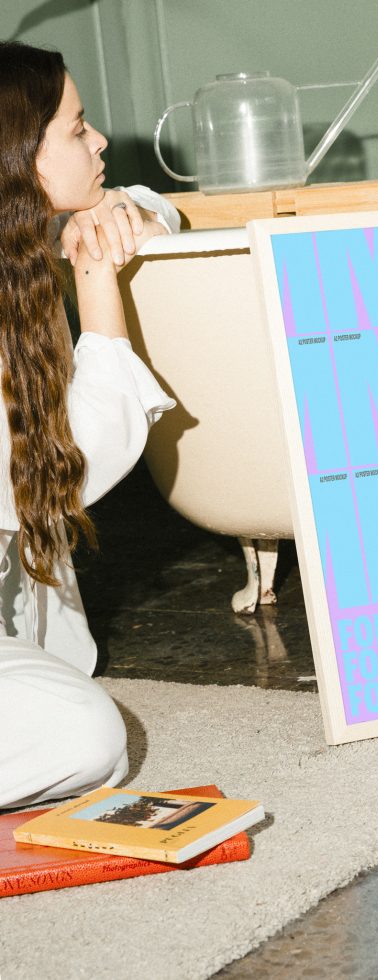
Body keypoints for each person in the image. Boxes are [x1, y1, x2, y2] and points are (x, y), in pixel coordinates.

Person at [0, 40, 180, 809]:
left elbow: (166, 209)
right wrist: (97, 276)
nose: (99, 139)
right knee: (87, 738)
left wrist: (119, 210)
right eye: (76, 130)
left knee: (76, 712)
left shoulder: (16, 246)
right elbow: (62, 470)